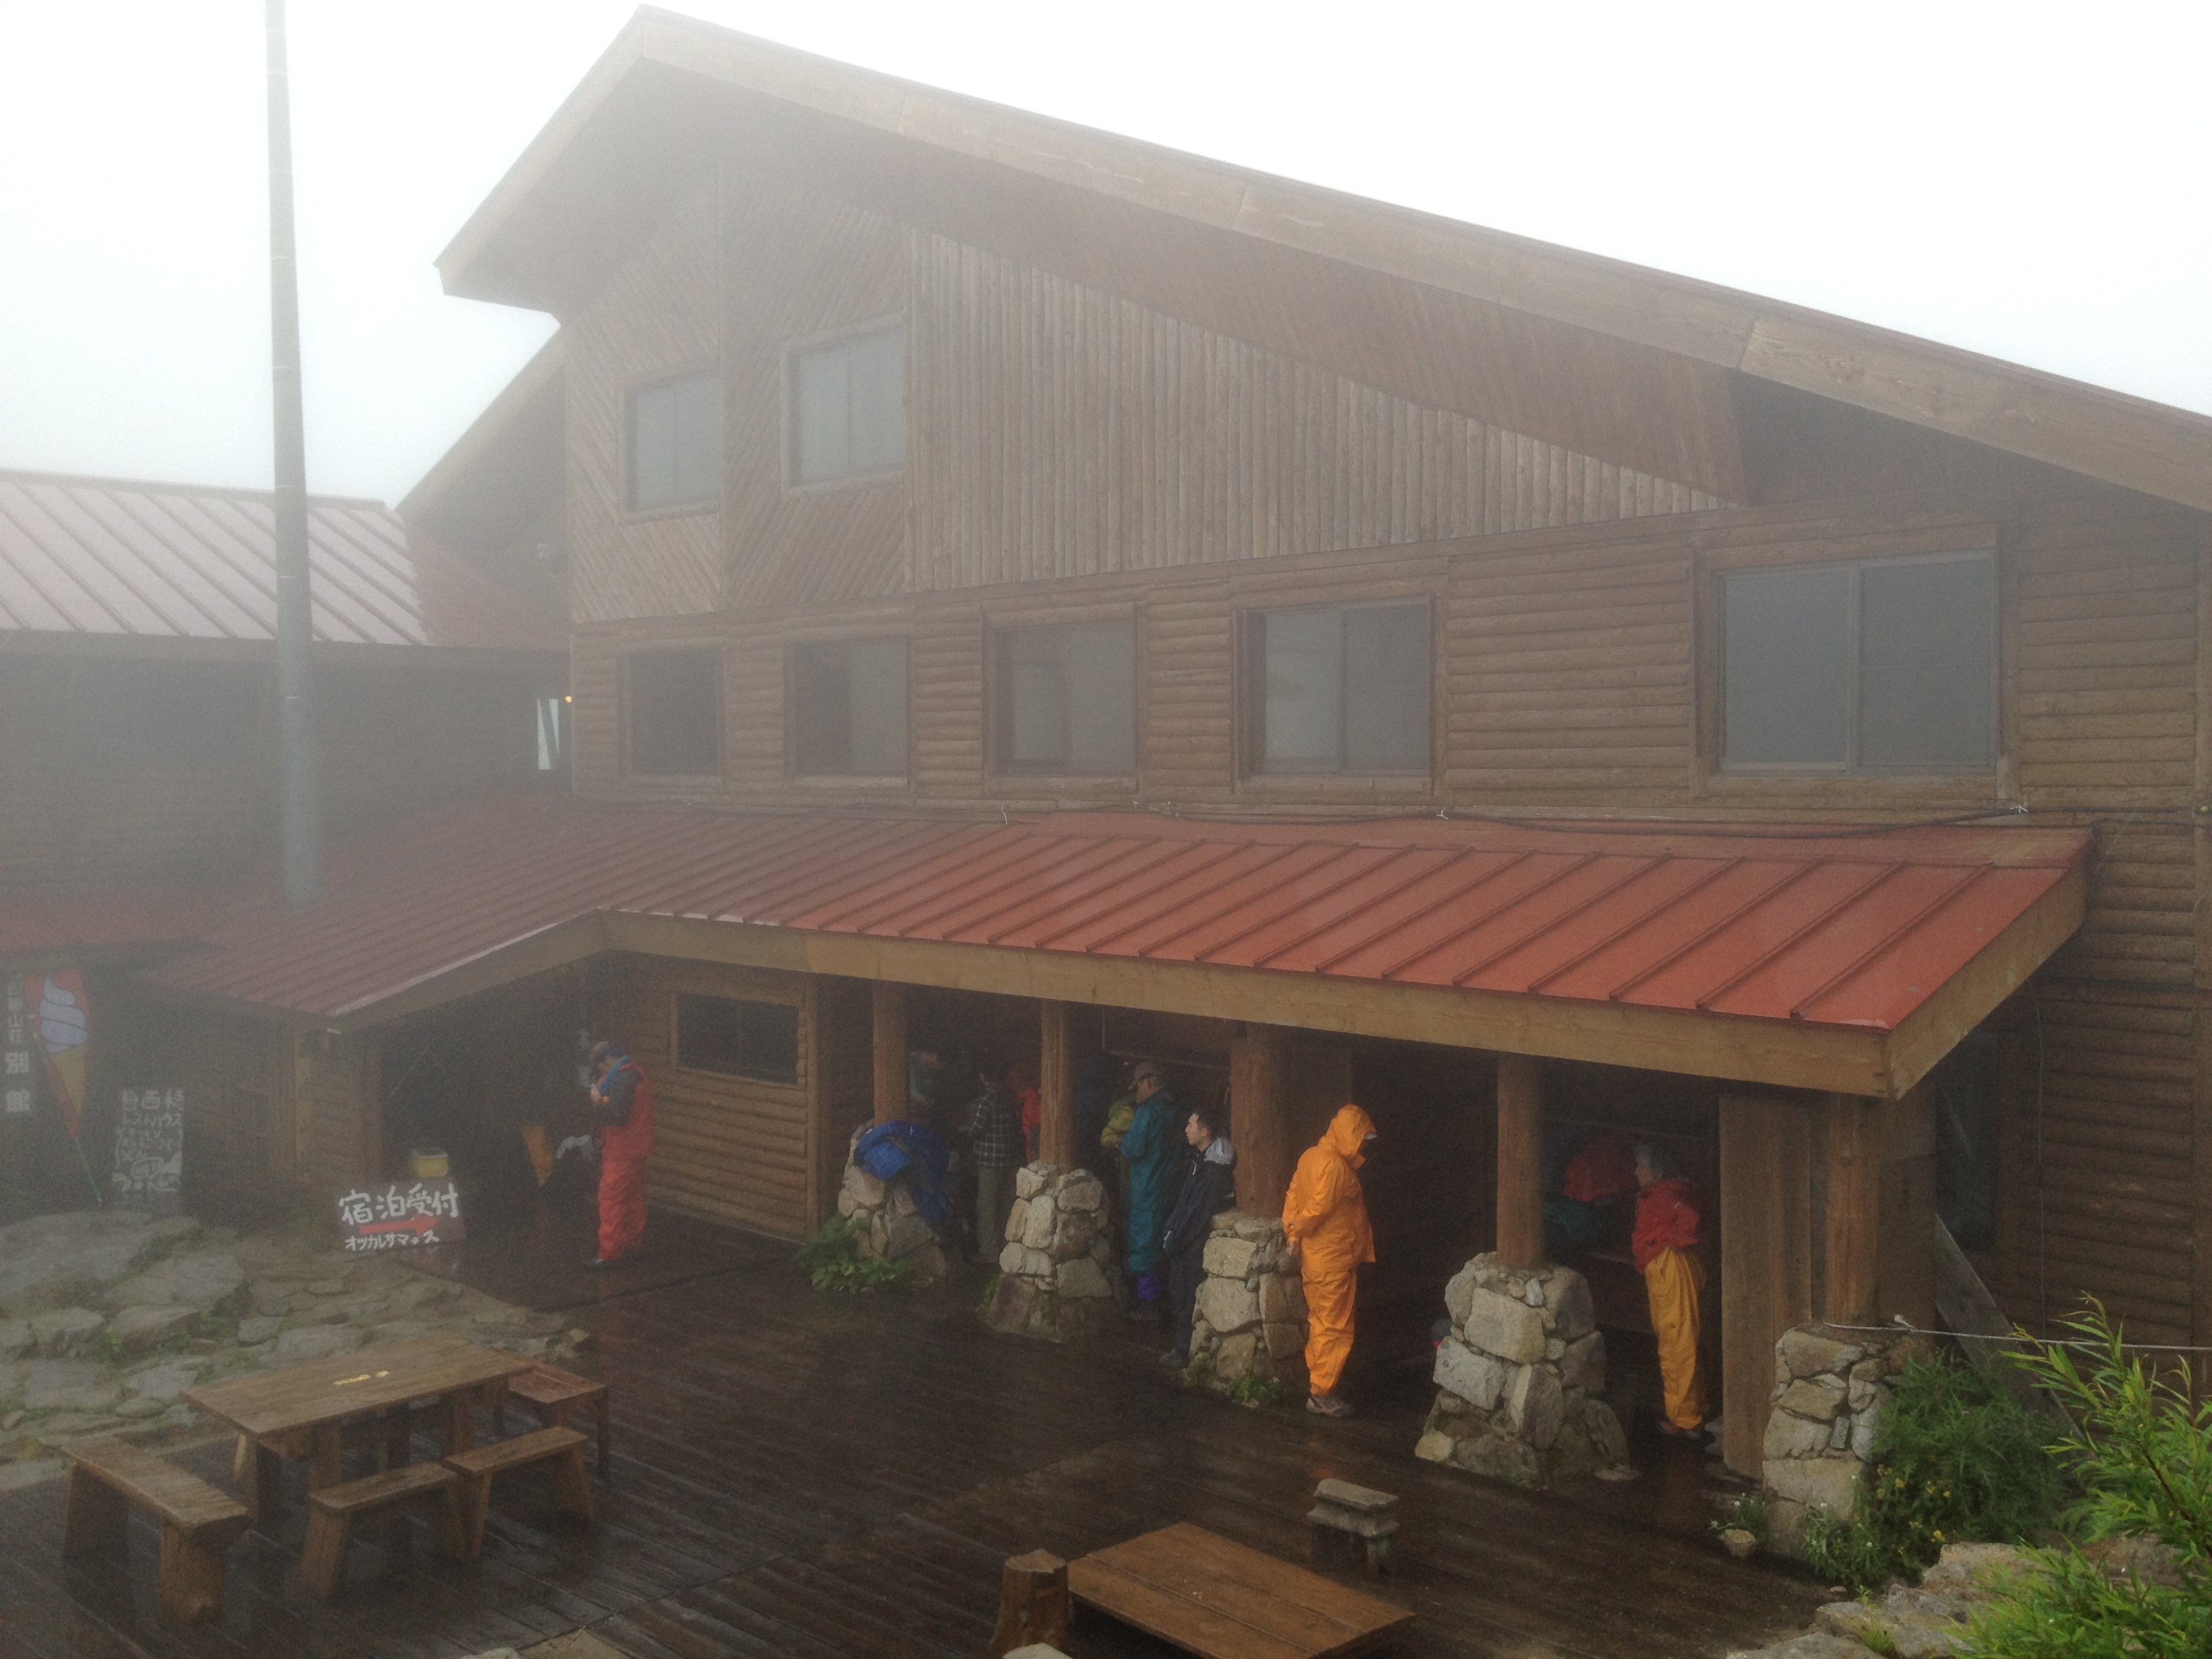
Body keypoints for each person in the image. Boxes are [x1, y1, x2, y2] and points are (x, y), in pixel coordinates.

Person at [1283, 1103, 1377, 1417]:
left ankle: (1319, 1385)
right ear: (1350, 1135)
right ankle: (1321, 1393)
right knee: (1333, 1327)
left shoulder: (1309, 1156)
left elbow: (1293, 1198)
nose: (1364, 1146)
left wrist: (1293, 1236)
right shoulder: (1335, 1166)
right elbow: (1318, 1209)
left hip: (1315, 1258)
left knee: (1319, 1322)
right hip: (1334, 1259)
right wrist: (1298, 1231)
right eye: (1362, 1138)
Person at [1633, 1141, 1707, 1436]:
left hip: (1670, 1269)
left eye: (1640, 1167)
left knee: (1676, 1342)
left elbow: (1689, 1221)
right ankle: (1693, 1407)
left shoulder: (1663, 1195)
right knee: (1680, 1338)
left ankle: (1684, 1418)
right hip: (1667, 1267)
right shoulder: (1669, 1190)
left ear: (1653, 1171)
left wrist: (1669, 1242)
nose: (1636, 1172)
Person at [1158, 1101, 1236, 1368]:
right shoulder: (1200, 1161)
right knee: (1181, 1296)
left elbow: (1197, 1213)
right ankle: (1182, 1350)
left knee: (1186, 1297)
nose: (1186, 1129)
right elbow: (1186, 1204)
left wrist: (1175, 1239)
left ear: (1205, 1132)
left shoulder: (1213, 1171)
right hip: (1183, 1241)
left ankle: (1183, 1353)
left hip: (1190, 1246)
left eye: (1191, 1125)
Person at [1117, 1060, 1183, 1324]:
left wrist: (1120, 1141)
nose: (1137, 1093)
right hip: (1172, 1191)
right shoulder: (1177, 1110)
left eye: (1138, 1087)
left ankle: (1149, 1307)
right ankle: (1170, 1304)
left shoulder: (1148, 1112)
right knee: (1168, 1247)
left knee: (1144, 1249)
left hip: (1148, 1191)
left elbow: (1133, 1148)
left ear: (1147, 1083)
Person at [586, 1040, 654, 1269]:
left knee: (610, 1200)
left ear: (607, 1060)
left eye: (601, 1066)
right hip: (637, 1147)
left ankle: (609, 1253)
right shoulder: (636, 1074)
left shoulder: (623, 1079)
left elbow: (617, 1116)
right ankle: (633, 1242)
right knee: (633, 1197)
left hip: (621, 1150)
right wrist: (605, 1098)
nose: (601, 1071)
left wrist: (598, 1101)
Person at [961, 1058, 1025, 1263]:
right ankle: (1007, 1246)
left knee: (986, 1206)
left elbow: (976, 1128)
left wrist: (964, 1132)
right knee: (1004, 1204)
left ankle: (989, 1251)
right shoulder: (1009, 1096)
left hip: (989, 1161)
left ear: (983, 1077)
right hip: (1008, 1158)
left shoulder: (987, 1098)